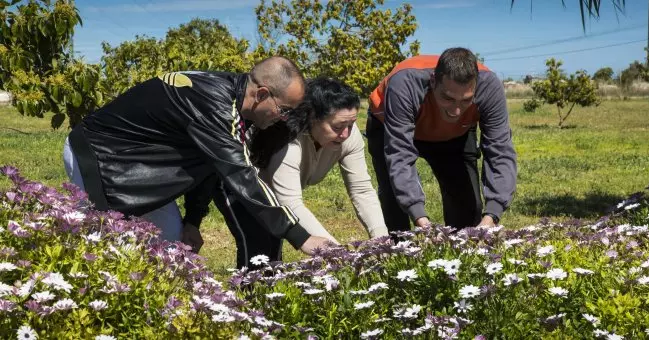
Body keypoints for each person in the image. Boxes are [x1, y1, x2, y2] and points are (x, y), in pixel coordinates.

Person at [62, 56, 333, 268]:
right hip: (99, 158)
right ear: (262, 94)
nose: (284, 118)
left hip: (137, 166)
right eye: (283, 109)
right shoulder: (214, 105)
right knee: (96, 249)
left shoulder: (229, 98)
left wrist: (192, 221)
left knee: (169, 250)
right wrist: (301, 237)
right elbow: (240, 174)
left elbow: (208, 164)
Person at [365, 48, 517, 232]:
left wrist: (493, 214)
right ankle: (398, 251)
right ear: (433, 81)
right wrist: (420, 218)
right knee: (394, 198)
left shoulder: (489, 87)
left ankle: (461, 253)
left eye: (466, 101)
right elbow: (400, 154)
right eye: (448, 98)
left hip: (454, 134)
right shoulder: (405, 84)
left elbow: (500, 151)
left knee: (467, 206)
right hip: (389, 125)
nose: (456, 110)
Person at [253, 77, 389, 244]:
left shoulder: (349, 136)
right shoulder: (288, 141)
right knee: (260, 246)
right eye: (337, 127)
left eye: (352, 124)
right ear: (313, 119)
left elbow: (361, 190)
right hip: (244, 188)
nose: (345, 134)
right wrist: (334, 252)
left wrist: (381, 238)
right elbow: (291, 204)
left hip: (277, 201)